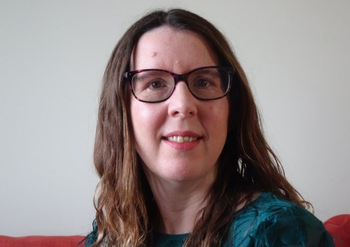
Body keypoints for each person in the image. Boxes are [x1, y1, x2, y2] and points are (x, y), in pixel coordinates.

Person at [85, 8, 335, 247]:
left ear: (232, 108)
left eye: (203, 81)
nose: (183, 105)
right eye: (155, 83)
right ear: (121, 113)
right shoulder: (109, 235)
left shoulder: (283, 233)